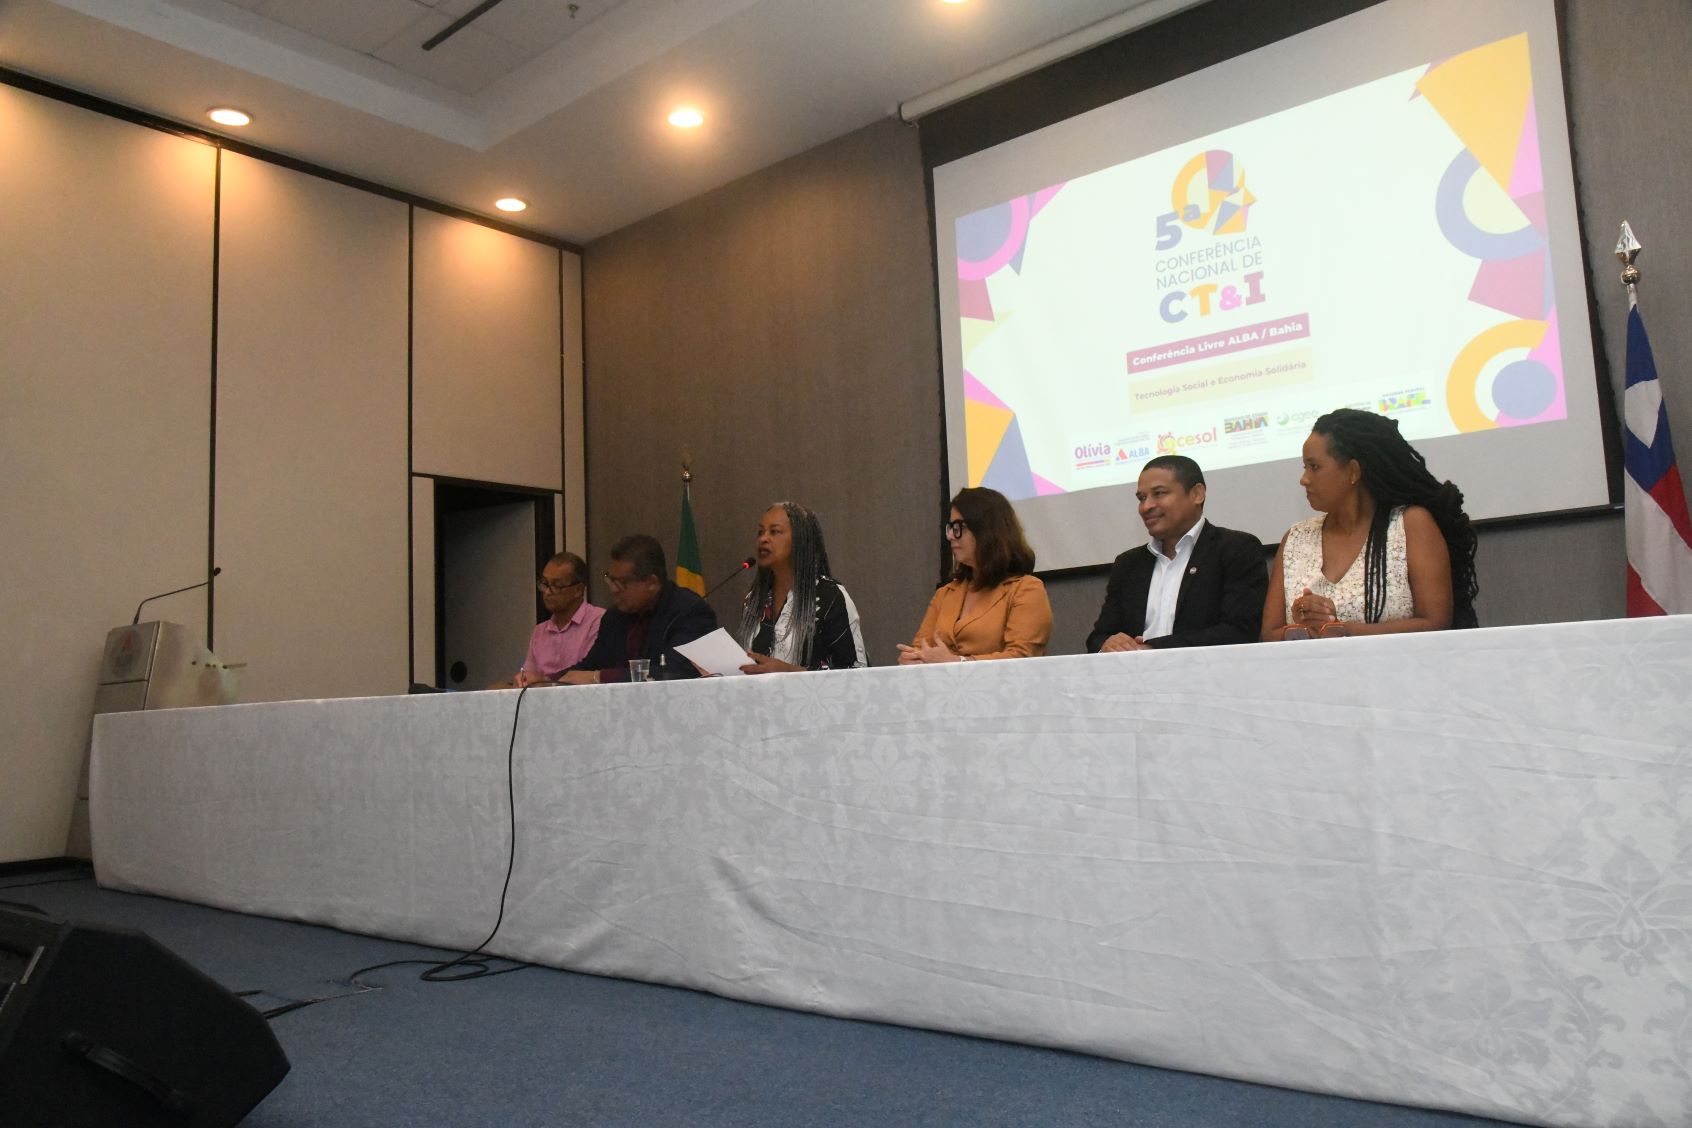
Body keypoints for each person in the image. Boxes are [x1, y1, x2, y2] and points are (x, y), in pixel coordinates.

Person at [1262, 408, 1478, 640]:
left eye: (1314, 467)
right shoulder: (1295, 538)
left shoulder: (1410, 525)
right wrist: (1301, 627)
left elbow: (1436, 623)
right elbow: (1269, 634)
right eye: (1305, 467)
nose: (1304, 479)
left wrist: (1342, 630)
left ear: (1353, 471)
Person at [1085, 456, 1267, 652]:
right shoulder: (1128, 564)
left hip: (1208, 670)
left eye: (1159, 493)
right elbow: (1098, 637)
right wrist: (1109, 644)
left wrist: (1152, 648)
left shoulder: (1236, 549)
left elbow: (1240, 631)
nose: (1146, 507)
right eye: (1142, 498)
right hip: (1132, 671)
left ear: (1197, 494)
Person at [898, 486, 1051, 664]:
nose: (950, 536)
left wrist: (958, 662)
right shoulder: (945, 594)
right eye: (950, 527)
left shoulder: (1027, 590)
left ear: (987, 530)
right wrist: (911, 660)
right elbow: (920, 649)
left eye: (958, 527)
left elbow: (1022, 658)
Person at [560, 534, 718, 683]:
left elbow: (677, 672)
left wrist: (599, 677)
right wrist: (551, 680)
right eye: (611, 579)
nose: (614, 589)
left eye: (622, 582)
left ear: (652, 583)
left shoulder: (690, 611)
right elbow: (591, 665)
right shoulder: (614, 617)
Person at [734, 502, 865, 673]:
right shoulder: (754, 600)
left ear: (800, 540)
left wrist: (790, 672)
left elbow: (857, 673)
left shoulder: (830, 596)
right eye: (760, 532)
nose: (763, 539)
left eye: (774, 532)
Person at [505, 551, 604, 686]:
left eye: (556, 586)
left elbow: (589, 672)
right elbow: (529, 678)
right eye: (545, 584)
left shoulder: (599, 620)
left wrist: (544, 681)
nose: (547, 592)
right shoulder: (540, 631)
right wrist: (523, 681)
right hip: (542, 697)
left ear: (578, 590)